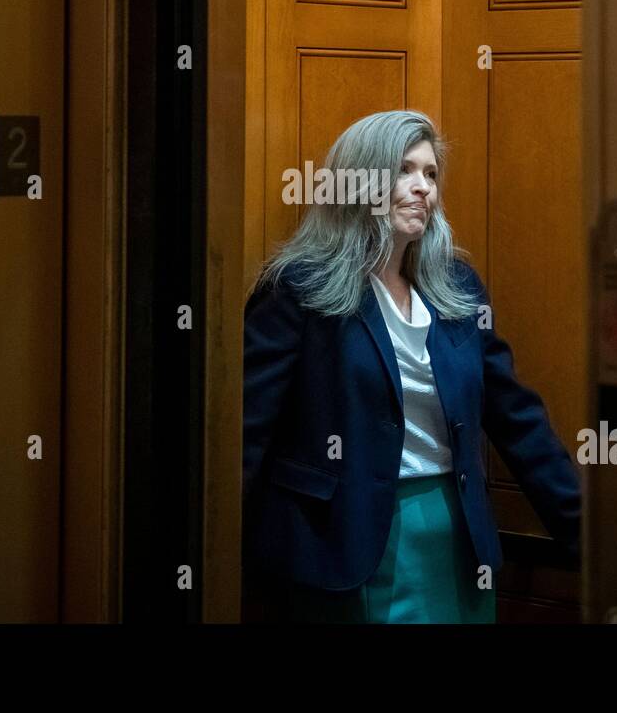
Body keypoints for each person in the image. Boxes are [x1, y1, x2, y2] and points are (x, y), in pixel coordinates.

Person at [242, 109, 581, 623]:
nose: (423, 187)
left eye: (431, 174)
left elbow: (519, 421)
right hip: (341, 545)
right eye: (404, 170)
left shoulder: (457, 289)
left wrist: (591, 539)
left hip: (455, 537)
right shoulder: (298, 288)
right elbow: (247, 431)